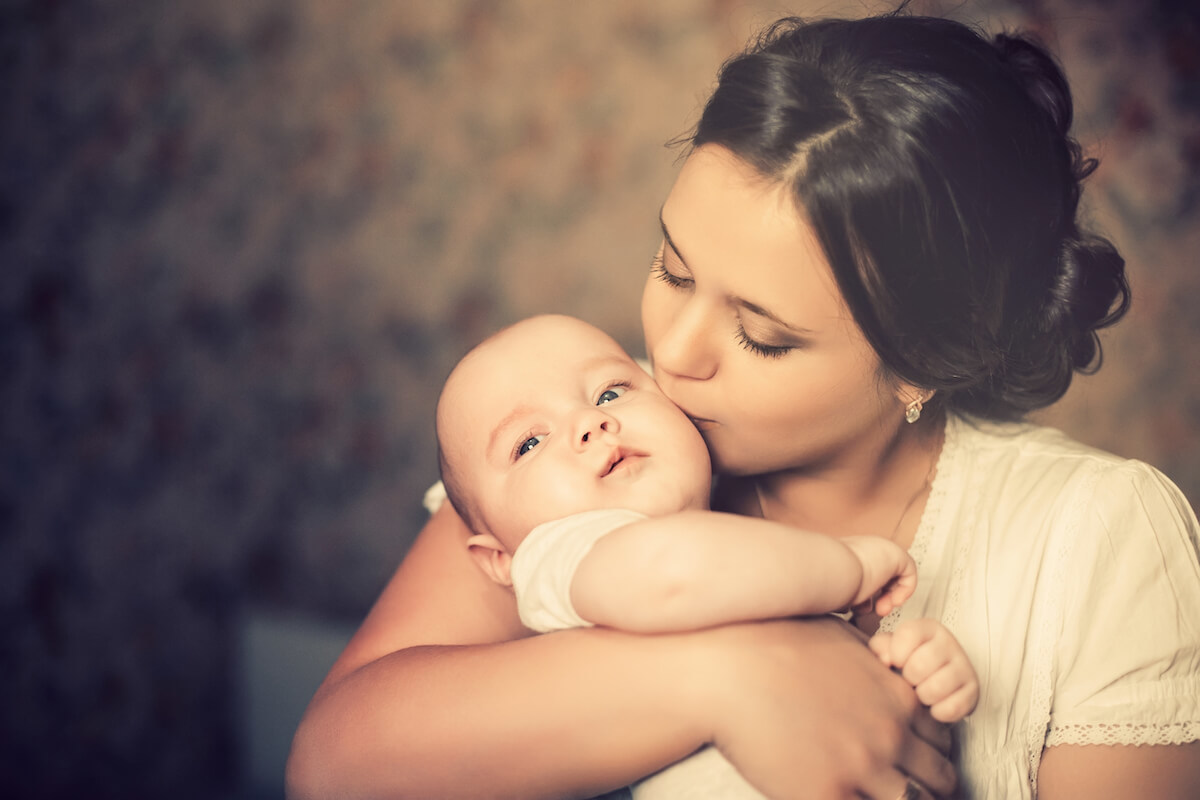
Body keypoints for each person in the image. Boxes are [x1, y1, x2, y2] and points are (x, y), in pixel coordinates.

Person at [287, 11, 1200, 800]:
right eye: (671, 270)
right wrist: (722, 675)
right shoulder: (581, 444)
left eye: (762, 336)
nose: (672, 357)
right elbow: (336, 764)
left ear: (921, 364)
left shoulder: (1100, 538)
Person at [433, 312, 978, 798]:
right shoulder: (558, 554)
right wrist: (851, 568)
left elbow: (827, 676)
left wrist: (906, 665)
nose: (590, 423)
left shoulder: (748, 543)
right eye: (528, 443)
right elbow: (675, 571)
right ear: (501, 560)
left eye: (610, 393)